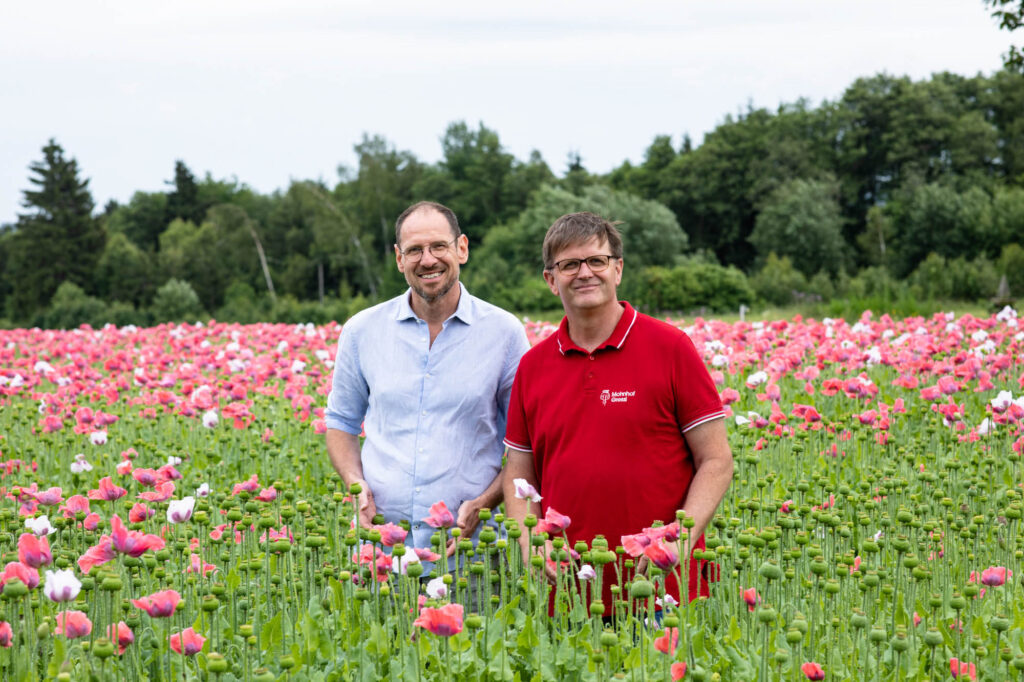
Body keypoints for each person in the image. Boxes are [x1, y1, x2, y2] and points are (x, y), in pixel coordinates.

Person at [501, 211, 734, 612]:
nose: (584, 273)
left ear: (618, 269)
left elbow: (716, 460)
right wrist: (531, 544)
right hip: (571, 593)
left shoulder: (670, 347)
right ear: (551, 280)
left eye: (596, 261)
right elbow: (520, 475)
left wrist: (679, 537)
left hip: (662, 584)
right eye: (569, 265)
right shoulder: (533, 366)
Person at [325, 200, 530, 563]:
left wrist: (484, 504)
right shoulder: (362, 331)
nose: (428, 259)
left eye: (439, 246)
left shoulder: (504, 333)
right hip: (382, 548)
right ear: (398, 258)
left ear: (461, 248)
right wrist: (357, 486)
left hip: (472, 549)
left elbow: (525, 444)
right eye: (415, 250)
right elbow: (341, 423)